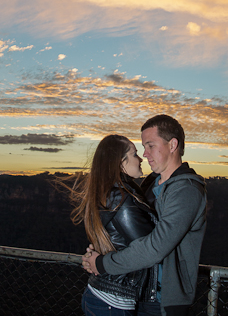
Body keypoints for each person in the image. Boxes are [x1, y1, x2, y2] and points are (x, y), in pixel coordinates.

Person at [82, 114, 207, 316]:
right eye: (142, 147)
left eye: (150, 146)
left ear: (172, 145)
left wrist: (103, 263)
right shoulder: (149, 183)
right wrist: (98, 252)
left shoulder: (187, 190)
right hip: (134, 294)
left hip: (161, 301)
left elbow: (154, 247)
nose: (145, 154)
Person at [66, 134, 159, 315]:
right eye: (134, 154)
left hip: (103, 294)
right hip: (113, 301)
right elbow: (150, 247)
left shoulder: (113, 193)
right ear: (119, 162)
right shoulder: (121, 199)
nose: (140, 158)